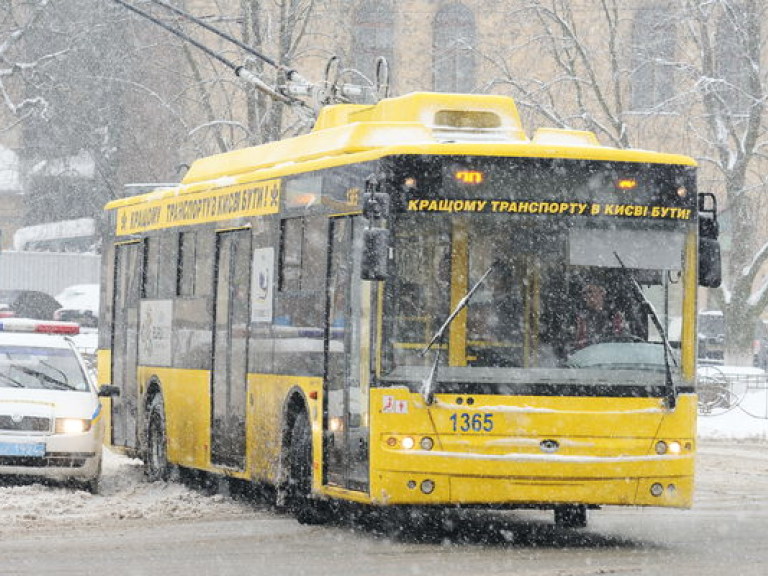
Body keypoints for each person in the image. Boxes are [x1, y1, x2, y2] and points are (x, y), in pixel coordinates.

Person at [572, 282, 626, 350]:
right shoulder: (580, 318)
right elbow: (575, 345)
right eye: (584, 293)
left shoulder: (615, 316)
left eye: (591, 291)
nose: (588, 295)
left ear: (602, 292)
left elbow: (621, 340)